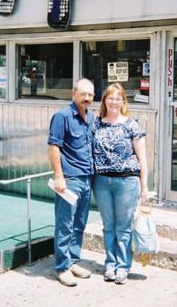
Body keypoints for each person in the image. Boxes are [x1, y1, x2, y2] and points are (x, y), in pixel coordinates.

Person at [93, 83, 148, 285]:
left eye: (118, 98)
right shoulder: (96, 124)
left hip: (126, 181)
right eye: (110, 97)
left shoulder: (131, 125)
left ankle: (123, 266)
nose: (114, 101)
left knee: (123, 227)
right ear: (104, 100)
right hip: (101, 181)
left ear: (124, 102)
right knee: (108, 225)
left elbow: (142, 159)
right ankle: (110, 263)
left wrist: (144, 186)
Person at [48, 78, 95, 287]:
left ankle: (73, 260)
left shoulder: (91, 116)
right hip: (70, 179)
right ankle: (62, 267)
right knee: (65, 224)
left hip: (87, 178)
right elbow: (54, 147)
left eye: (91, 95)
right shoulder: (62, 116)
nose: (87, 98)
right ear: (73, 93)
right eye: (83, 94)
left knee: (79, 224)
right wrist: (59, 176)